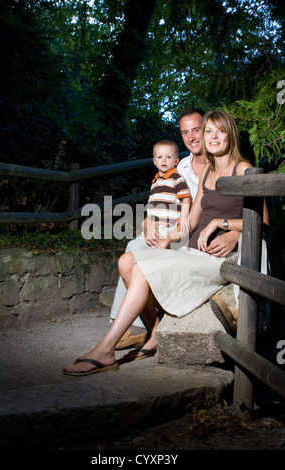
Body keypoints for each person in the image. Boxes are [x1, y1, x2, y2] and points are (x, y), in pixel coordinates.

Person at [63, 109, 263, 376]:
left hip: (219, 258)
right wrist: (163, 236)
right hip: (194, 250)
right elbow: (189, 222)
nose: (213, 137)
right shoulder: (207, 173)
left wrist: (224, 226)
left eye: (220, 131)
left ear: (231, 134)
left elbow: (264, 221)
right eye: (209, 132)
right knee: (127, 262)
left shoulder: (245, 170)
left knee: (143, 270)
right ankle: (155, 332)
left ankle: (105, 350)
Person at [113, 108, 241, 350]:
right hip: (181, 230)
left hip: (199, 235)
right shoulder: (179, 166)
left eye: (197, 130)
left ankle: (147, 328)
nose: (192, 136)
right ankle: (138, 326)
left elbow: (245, 214)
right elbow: (161, 200)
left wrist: (233, 231)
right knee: (134, 246)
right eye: (185, 132)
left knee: (144, 257)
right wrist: (146, 222)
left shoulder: (228, 165)